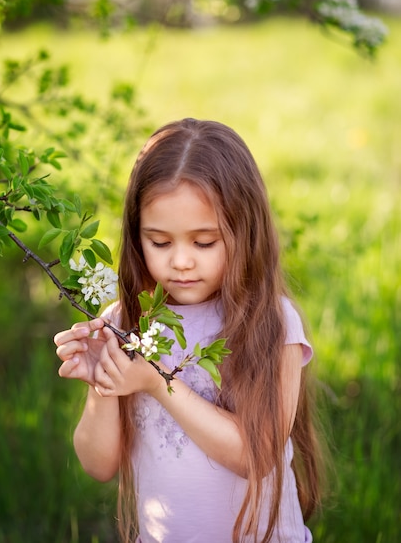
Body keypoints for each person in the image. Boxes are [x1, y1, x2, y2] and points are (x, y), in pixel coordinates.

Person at [54, 118, 323, 543]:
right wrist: (103, 384)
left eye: (204, 242)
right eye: (160, 242)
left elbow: (257, 455)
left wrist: (158, 384)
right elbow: (98, 464)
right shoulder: (127, 321)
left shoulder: (272, 322)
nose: (181, 261)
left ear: (245, 232)